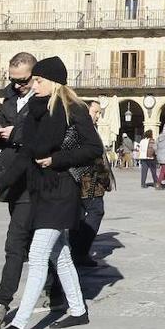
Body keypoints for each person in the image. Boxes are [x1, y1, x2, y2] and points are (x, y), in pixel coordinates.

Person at [0, 56, 101, 329]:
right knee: (59, 254)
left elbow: (93, 148)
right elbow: (26, 152)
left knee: (39, 255)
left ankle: (18, 325)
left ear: (53, 81)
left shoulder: (73, 109)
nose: (32, 85)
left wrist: (57, 159)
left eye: (38, 80)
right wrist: (0, 184)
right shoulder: (37, 111)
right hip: (40, 190)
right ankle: (78, 310)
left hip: (63, 190)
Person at [0, 52, 63, 329]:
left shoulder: (50, 100)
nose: (18, 86)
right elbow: (5, 133)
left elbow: (49, 138)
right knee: (40, 245)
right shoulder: (9, 98)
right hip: (14, 178)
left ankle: (0, 305)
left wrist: (16, 135)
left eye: (23, 81)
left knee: (15, 242)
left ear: (36, 76)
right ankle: (57, 290)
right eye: (13, 81)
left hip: (37, 179)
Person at [70, 97, 110, 268]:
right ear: (85, 111)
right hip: (88, 178)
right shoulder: (82, 130)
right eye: (95, 112)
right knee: (95, 211)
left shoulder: (80, 128)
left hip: (85, 178)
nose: (97, 117)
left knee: (77, 215)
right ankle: (79, 251)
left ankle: (75, 250)